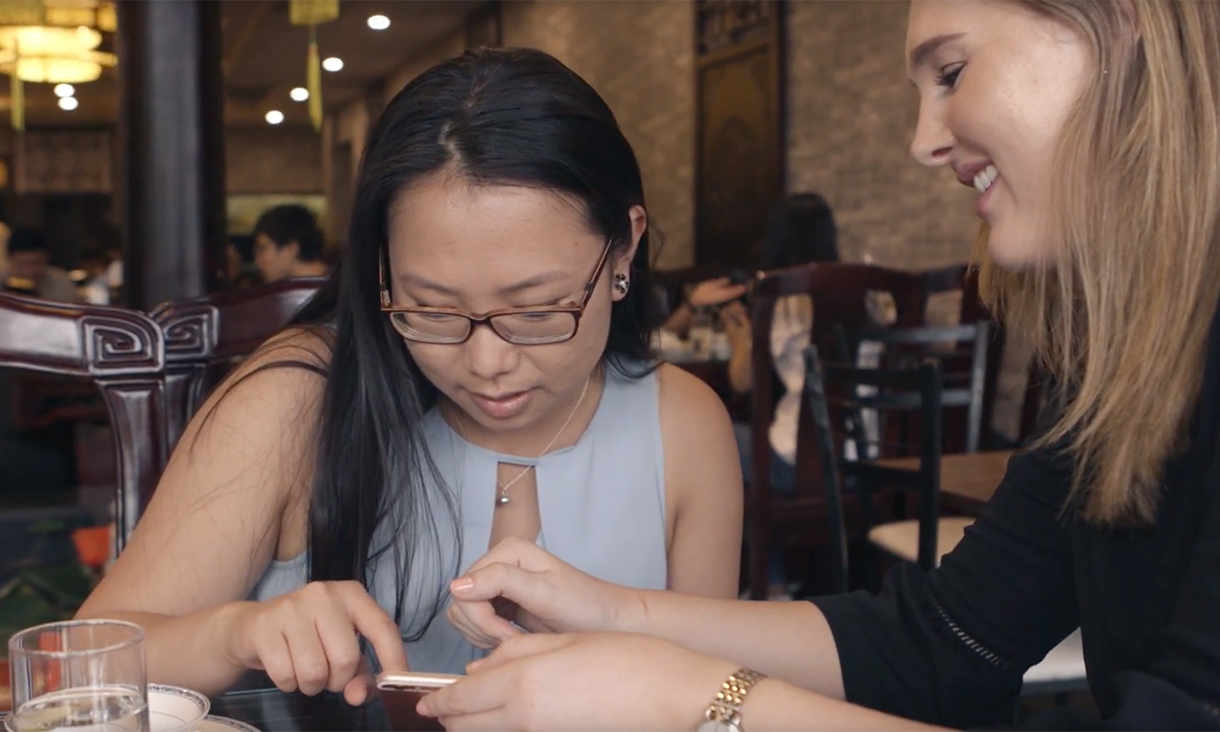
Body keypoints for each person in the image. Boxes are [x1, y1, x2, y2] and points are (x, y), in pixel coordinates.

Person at [416, 2, 1220, 730]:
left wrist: (697, 700)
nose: (923, 140)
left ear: (1120, 21)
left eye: (952, 71)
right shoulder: (1123, 365)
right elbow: (942, 641)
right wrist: (612, 612)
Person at [75, 47, 743, 701]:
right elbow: (83, 666)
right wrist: (233, 634)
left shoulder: (680, 424)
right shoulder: (298, 399)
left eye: (538, 308)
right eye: (430, 308)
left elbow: (714, 702)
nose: (487, 363)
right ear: (382, 269)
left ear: (624, 246)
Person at [251, 204, 330, 283]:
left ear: (292, 248)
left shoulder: (333, 288)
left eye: (263, 249)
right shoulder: (335, 284)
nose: (257, 261)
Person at [1, 228, 79, 302]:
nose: (30, 271)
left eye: (37, 264)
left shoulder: (61, 283)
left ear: (47, 259)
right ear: (9, 259)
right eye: (22, 264)